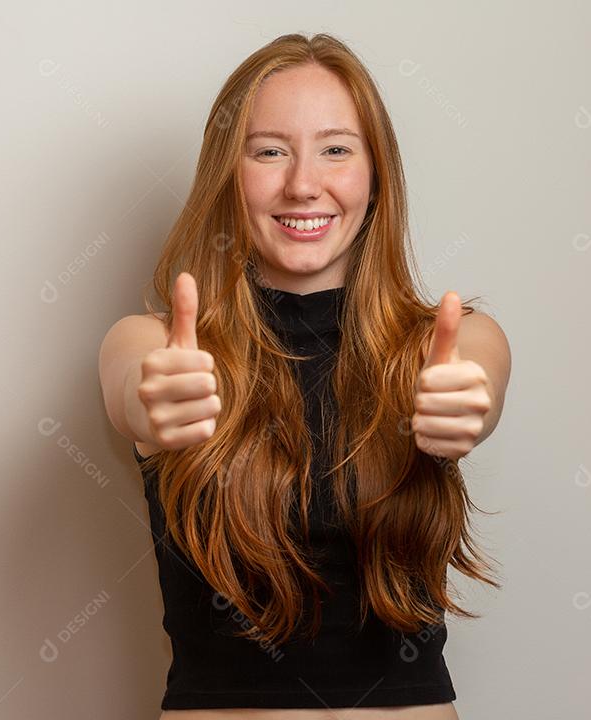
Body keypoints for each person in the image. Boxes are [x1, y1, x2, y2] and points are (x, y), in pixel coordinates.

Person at [98, 32, 511, 720]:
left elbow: (479, 378)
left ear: (376, 174)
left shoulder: (450, 341)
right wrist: (154, 400)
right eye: (269, 151)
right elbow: (132, 386)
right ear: (228, 172)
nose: (302, 182)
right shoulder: (151, 344)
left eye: (336, 148)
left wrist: (467, 400)